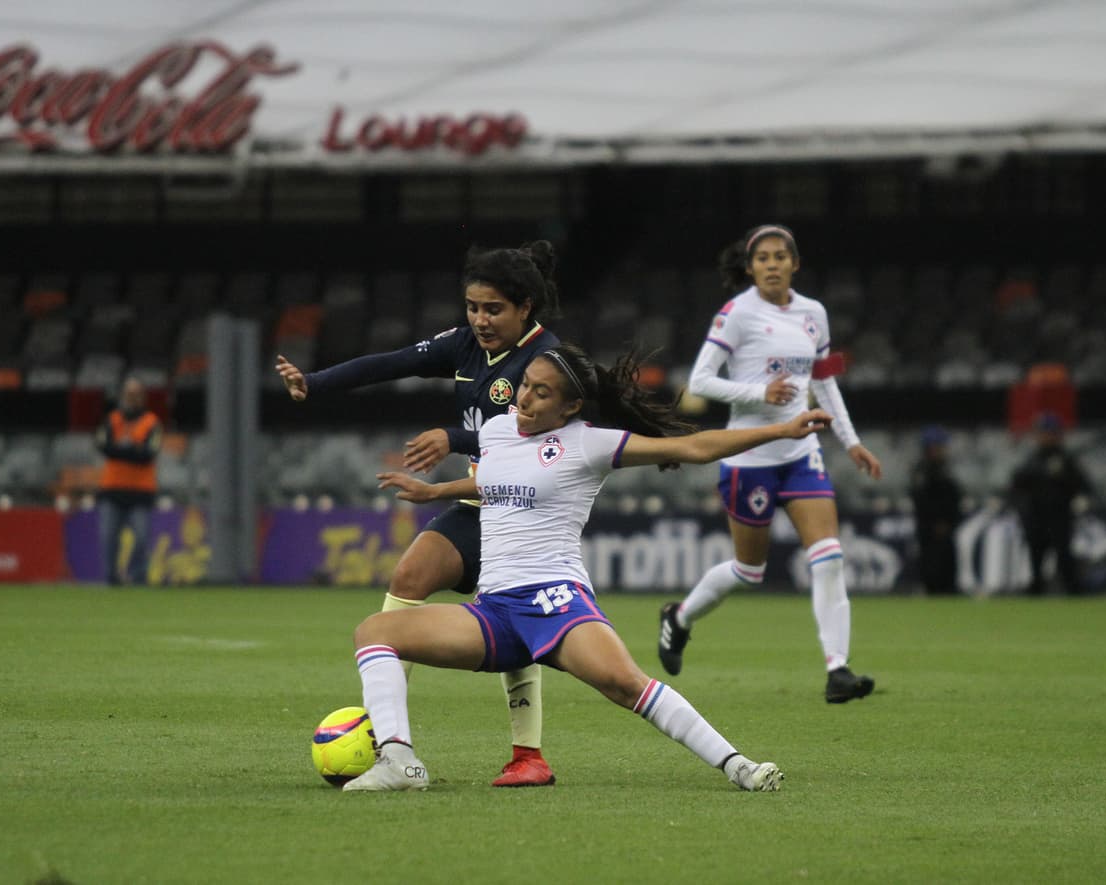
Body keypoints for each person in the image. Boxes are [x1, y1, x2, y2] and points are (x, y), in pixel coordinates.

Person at [344, 343, 832, 791]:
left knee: (626, 685)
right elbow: (496, 483)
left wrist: (783, 430)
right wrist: (437, 491)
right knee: (374, 631)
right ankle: (399, 761)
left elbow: (693, 448)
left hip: (554, 600)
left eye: (542, 392)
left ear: (570, 406)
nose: (525, 400)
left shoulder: (589, 443)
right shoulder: (495, 432)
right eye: (525, 386)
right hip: (493, 611)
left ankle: (739, 766)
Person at [276, 242, 562, 786]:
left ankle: (528, 755)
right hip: (478, 500)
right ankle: (390, 738)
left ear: (525, 308)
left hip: (526, 511)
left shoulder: (548, 360)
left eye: (493, 309)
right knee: (409, 574)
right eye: (473, 307)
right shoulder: (464, 346)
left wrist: (452, 436)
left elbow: (538, 433)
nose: (479, 320)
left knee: (515, 623)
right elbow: (392, 363)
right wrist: (315, 382)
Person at [657, 224, 880, 703]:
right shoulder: (737, 314)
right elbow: (700, 381)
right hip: (749, 455)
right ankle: (679, 618)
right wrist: (760, 392)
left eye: (781, 256)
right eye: (763, 258)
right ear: (751, 266)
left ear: (795, 263)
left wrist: (851, 440)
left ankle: (837, 670)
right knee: (749, 569)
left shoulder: (813, 313)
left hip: (802, 452)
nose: (773, 264)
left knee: (828, 555)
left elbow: (826, 380)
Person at [1010, 412, 1091, 595]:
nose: (1047, 436)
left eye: (1051, 432)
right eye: (1043, 432)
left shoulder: (1067, 460)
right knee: (1035, 559)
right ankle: (1035, 592)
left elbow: (1082, 486)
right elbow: (1017, 489)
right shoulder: (1030, 460)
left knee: (1064, 558)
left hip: (1060, 517)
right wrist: (1022, 510)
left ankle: (1073, 593)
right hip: (1036, 518)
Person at [95, 376, 162, 585]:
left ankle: (136, 577)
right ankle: (112, 579)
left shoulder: (152, 422)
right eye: (128, 394)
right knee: (108, 538)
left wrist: (122, 449)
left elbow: (148, 454)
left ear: (142, 397)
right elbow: (103, 447)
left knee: (142, 538)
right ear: (123, 396)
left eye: (135, 394)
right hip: (112, 489)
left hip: (141, 492)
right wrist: (132, 449)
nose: (131, 398)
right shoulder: (112, 419)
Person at [910, 425, 963, 594]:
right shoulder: (922, 471)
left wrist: (949, 521)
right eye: (935, 447)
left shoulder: (947, 469)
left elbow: (955, 498)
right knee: (930, 568)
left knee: (948, 568)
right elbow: (921, 500)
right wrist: (934, 522)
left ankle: (948, 593)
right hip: (928, 528)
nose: (939, 450)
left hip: (947, 527)